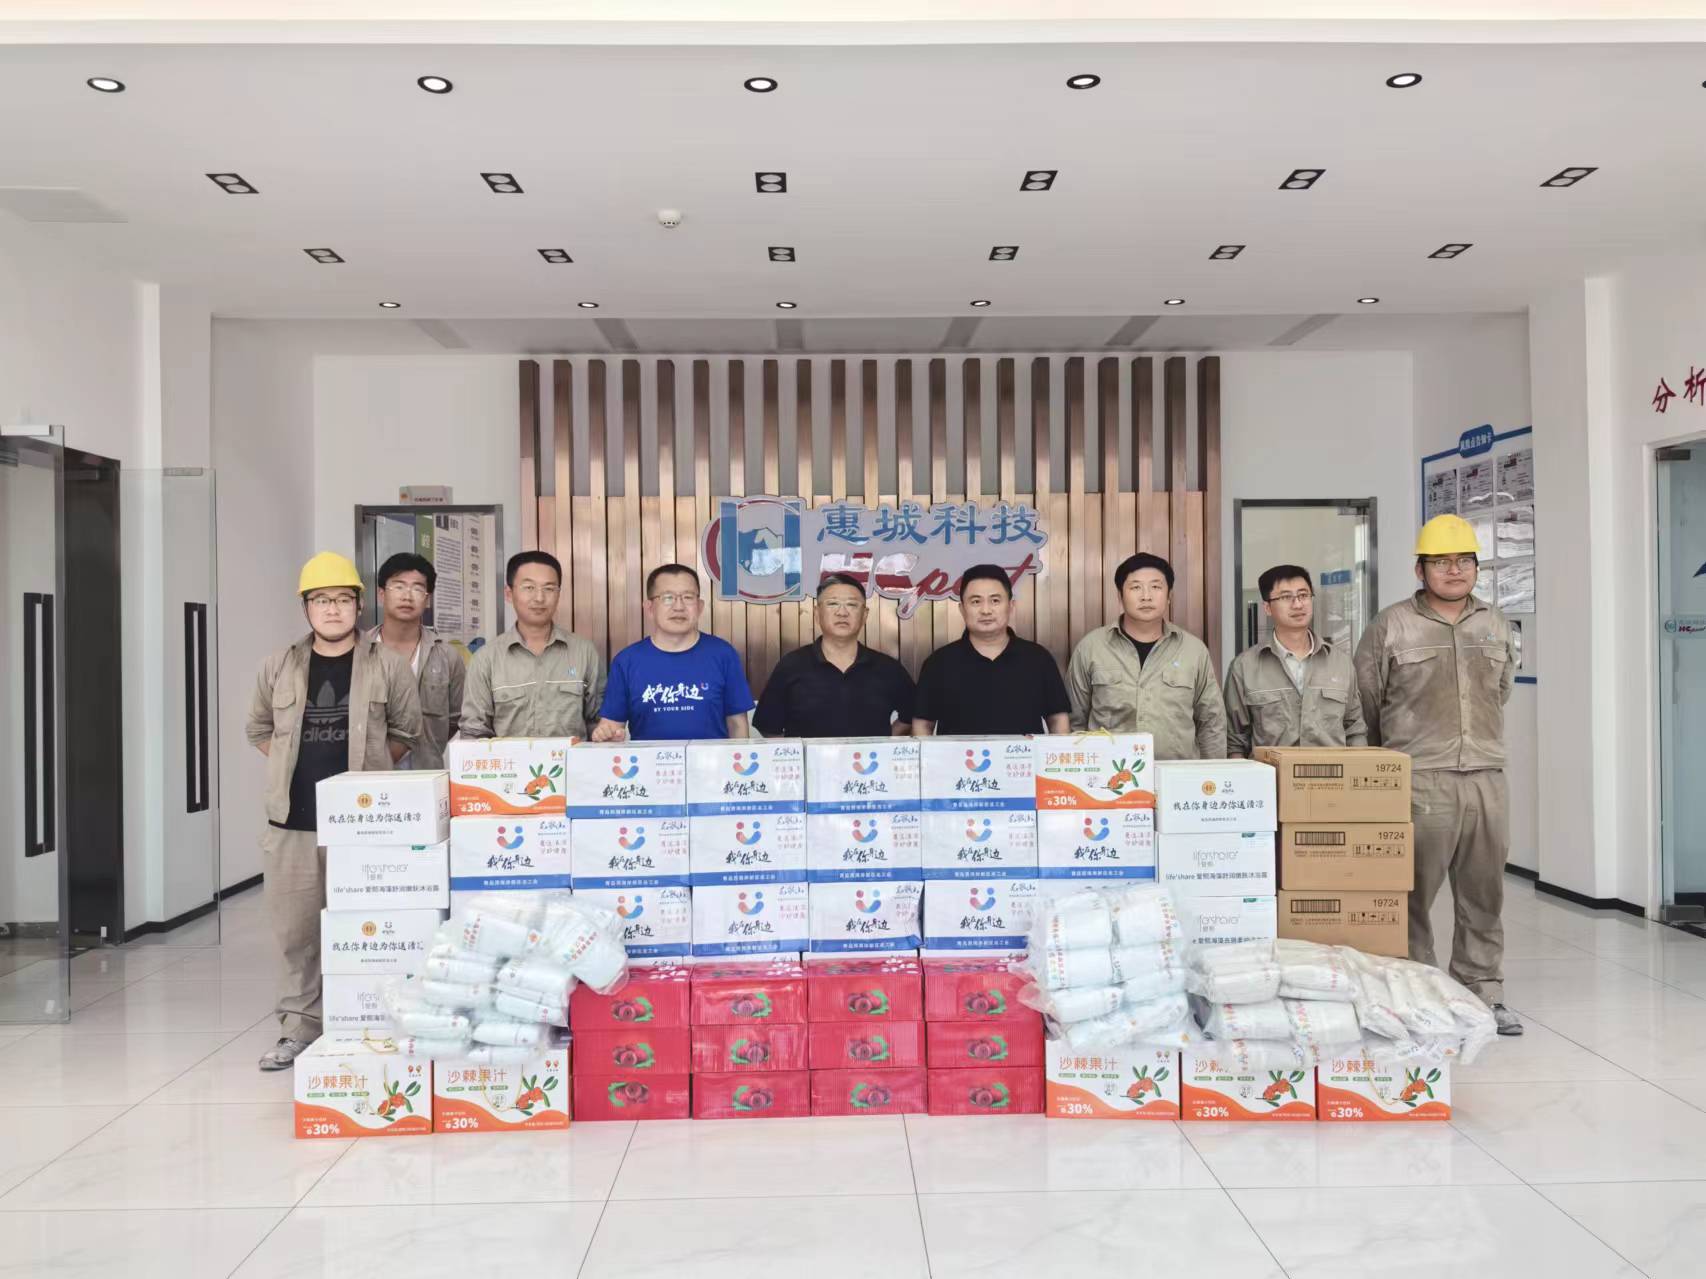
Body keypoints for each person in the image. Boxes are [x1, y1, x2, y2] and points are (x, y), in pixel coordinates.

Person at [245, 552, 422, 1071]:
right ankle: (299, 1028)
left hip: (364, 828)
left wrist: (365, 780)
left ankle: (372, 1023)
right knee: (297, 933)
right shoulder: (277, 666)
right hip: (293, 823)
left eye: (343, 599)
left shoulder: (387, 665)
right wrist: (289, 767)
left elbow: (407, 732)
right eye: (321, 600)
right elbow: (258, 729)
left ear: (360, 606)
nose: (332, 609)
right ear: (305, 607)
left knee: (369, 929)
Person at [1355, 514, 1522, 1037]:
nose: (1454, 570)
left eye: (1464, 561)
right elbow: (1366, 701)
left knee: (1484, 893)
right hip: (1418, 775)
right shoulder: (1391, 625)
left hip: (1486, 774)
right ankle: (1418, 992)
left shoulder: (1494, 623)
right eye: (1442, 562)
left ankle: (1482, 991)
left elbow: (1501, 690)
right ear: (1420, 570)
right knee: (1411, 892)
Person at [1066, 552, 1226, 760]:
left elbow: (1211, 722)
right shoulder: (1091, 648)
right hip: (1110, 774)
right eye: (1135, 587)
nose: (1146, 596)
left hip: (1177, 774)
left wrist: (1213, 772)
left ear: (1169, 596)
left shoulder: (1194, 651)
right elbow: (1074, 722)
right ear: (1120, 596)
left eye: (1156, 587)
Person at [592, 564, 755, 741]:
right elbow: (611, 726)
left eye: (688, 597)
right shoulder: (626, 661)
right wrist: (607, 736)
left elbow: (737, 725)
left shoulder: (723, 654)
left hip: (712, 759)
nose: (679, 606)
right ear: (649, 608)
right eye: (668, 598)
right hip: (648, 759)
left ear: (700, 607)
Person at [1223, 564, 1367, 757]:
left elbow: (1355, 730)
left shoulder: (1340, 663)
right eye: (1286, 597)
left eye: (1303, 595)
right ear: (1267, 607)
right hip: (1271, 775)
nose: (1298, 604)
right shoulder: (1244, 667)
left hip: (1332, 775)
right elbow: (1234, 742)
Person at [911, 564, 1071, 736]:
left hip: (1024, 754)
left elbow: (1058, 720)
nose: (986, 610)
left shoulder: (1038, 659)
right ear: (962, 609)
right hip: (957, 755)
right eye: (976, 602)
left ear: (1011, 606)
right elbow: (922, 725)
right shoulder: (939, 663)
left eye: (995, 601)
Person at [459, 551, 605, 740]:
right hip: (509, 760)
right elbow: (473, 732)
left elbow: (598, 722)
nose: (539, 598)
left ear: (558, 594)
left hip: (572, 759)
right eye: (529, 587)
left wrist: (605, 733)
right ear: (509, 594)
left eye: (549, 588)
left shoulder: (584, 652)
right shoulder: (486, 659)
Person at [753, 573, 916, 738]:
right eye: (832, 603)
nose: (842, 612)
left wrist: (884, 743)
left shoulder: (888, 668)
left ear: (865, 615)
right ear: (817, 614)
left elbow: (912, 716)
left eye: (851, 605)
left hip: (871, 756)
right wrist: (797, 752)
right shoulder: (791, 665)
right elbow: (768, 727)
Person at [366, 552, 464, 769]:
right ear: (381, 594)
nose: (407, 596)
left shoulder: (447, 657)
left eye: (417, 588)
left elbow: (455, 719)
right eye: (398, 586)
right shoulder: (359, 653)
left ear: (427, 599)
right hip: (370, 776)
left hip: (427, 775)